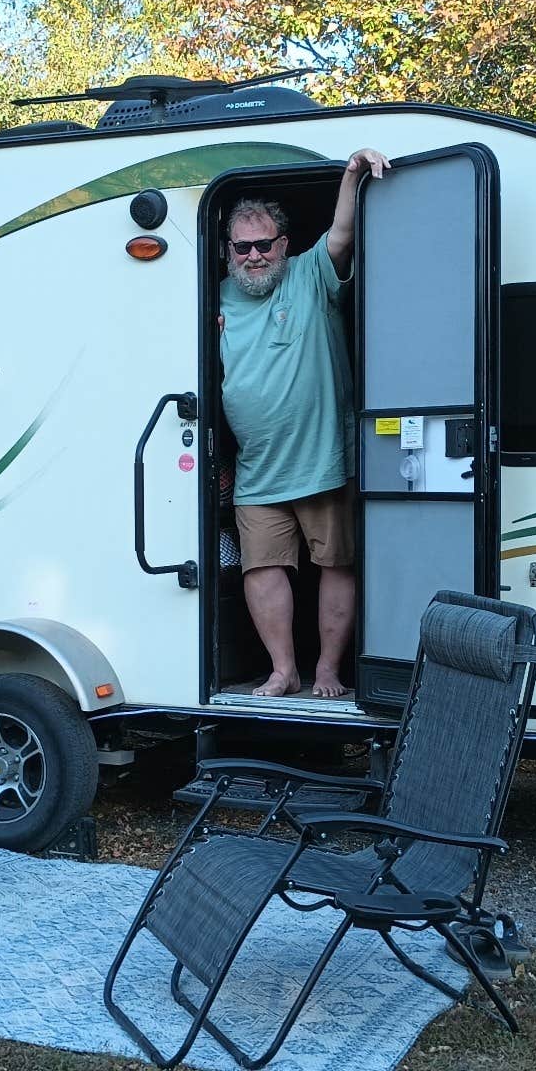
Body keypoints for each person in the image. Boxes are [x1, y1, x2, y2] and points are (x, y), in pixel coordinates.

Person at [218, 148, 390, 698]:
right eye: (241, 247)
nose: (253, 256)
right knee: (261, 568)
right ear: (228, 251)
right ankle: (283, 670)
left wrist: (352, 172)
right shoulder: (213, 298)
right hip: (256, 467)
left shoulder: (312, 273)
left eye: (263, 244)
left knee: (336, 564)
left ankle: (328, 671)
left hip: (323, 458)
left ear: (283, 246)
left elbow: (341, 231)